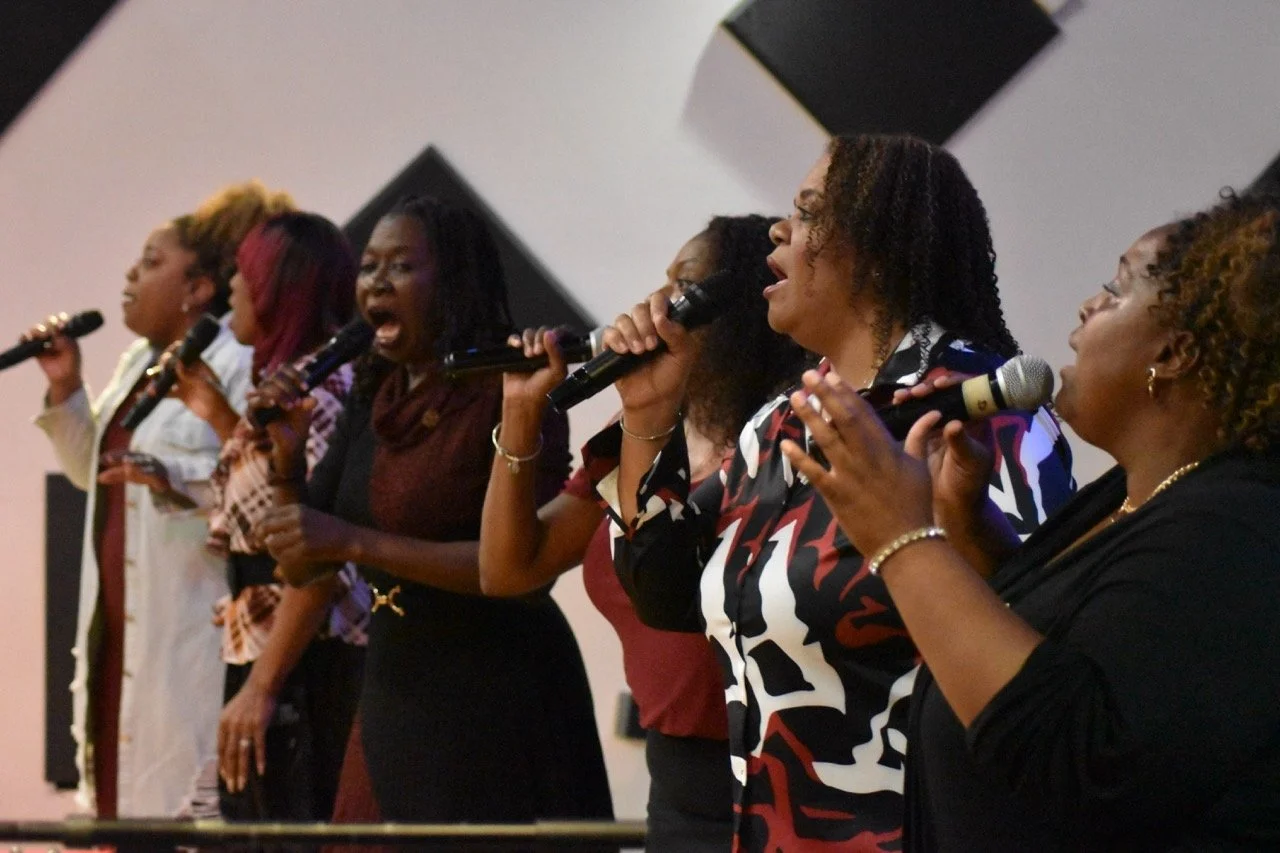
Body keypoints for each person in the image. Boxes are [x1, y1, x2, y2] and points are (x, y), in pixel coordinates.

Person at [586, 134, 1075, 850]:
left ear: (877, 247)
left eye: (809, 211)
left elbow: (1034, 659)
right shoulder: (781, 421)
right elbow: (663, 592)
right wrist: (648, 414)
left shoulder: (980, 410)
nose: (779, 230)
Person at [781, 189, 1280, 850]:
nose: (1088, 305)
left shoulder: (1233, 530)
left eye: (1116, 289)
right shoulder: (1129, 498)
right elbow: (1061, 649)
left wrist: (903, 539)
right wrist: (964, 528)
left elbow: (1072, 757)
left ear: (1175, 353)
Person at [254, 195, 614, 830]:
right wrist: (285, 466)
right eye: (369, 266)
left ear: (453, 282)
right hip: (396, 682)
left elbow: (524, 574)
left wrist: (353, 543)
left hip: (494, 695)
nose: (376, 282)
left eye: (400, 265)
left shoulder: (513, 387)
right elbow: (306, 567)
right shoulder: (378, 391)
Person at [480, 214, 809, 850]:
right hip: (677, 777)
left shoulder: (782, 436)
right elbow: (509, 569)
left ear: (741, 307)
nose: (655, 305)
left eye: (682, 287)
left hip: (781, 770)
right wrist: (520, 411)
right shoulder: (638, 436)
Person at [30, 181, 293, 817]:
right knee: (118, 796)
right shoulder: (139, 363)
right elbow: (94, 473)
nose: (130, 275)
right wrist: (66, 387)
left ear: (198, 288)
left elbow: (257, 481)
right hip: (121, 628)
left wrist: (171, 476)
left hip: (191, 626)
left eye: (150, 263)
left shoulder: (236, 362)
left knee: (182, 804)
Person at [168, 211, 367, 821]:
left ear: (278, 287)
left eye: (243, 273)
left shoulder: (323, 392)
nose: (232, 288)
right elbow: (270, 504)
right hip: (277, 656)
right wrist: (218, 416)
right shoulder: (292, 383)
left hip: (307, 666)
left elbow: (318, 556)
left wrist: (262, 687)